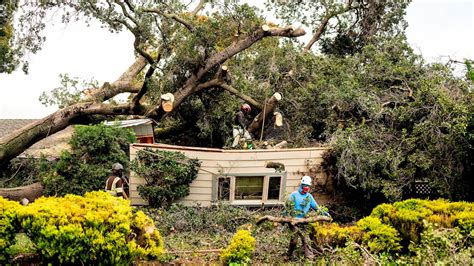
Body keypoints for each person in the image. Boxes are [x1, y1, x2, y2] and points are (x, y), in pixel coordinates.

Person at [286, 175, 330, 259]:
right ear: (301, 185)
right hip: (293, 221)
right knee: (294, 241)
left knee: (305, 240)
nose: (306, 188)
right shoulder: (294, 195)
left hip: (303, 222)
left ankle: (309, 258)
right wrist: (284, 217)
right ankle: (289, 255)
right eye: (305, 186)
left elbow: (316, 207)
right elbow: (287, 207)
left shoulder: (309, 197)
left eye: (308, 186)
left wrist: (324, 213)